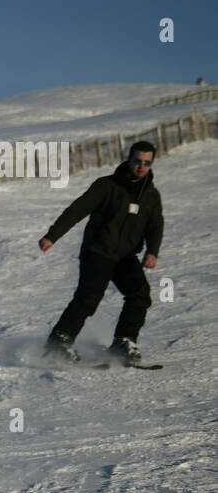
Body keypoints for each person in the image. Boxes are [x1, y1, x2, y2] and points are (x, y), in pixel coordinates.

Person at [40, 141, 164, 365]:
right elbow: (77, 209)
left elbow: (155, 225)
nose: (141, 167)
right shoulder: (106, 186)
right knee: (89, 297)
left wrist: (152, 251)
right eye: (137, 161)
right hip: (97, 252)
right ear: (129, 159)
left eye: (146, 163)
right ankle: (58, 342)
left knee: (140, 294)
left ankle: (124, 342)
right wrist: (52, 236)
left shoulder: (151, 195)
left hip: (125, 256)